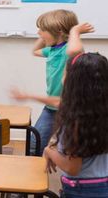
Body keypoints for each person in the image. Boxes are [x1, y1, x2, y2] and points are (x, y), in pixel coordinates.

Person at [11, 9, 94, 155]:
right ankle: (31, 172)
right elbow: (35, 51)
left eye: (42, 30)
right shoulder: (52, 50)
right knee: (34, 144)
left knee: (68, 148)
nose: (38, 33)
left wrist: (74, 31)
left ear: (59, 31)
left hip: (69, 110)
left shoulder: (67, 50)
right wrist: (46, 34)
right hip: (51, 108)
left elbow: (75, 50)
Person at [44, 53, 108, 197]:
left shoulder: (78, 119)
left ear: (74, 82)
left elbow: (71, 167)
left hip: (84, 190)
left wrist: (49, 151)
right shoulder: (101, 110)